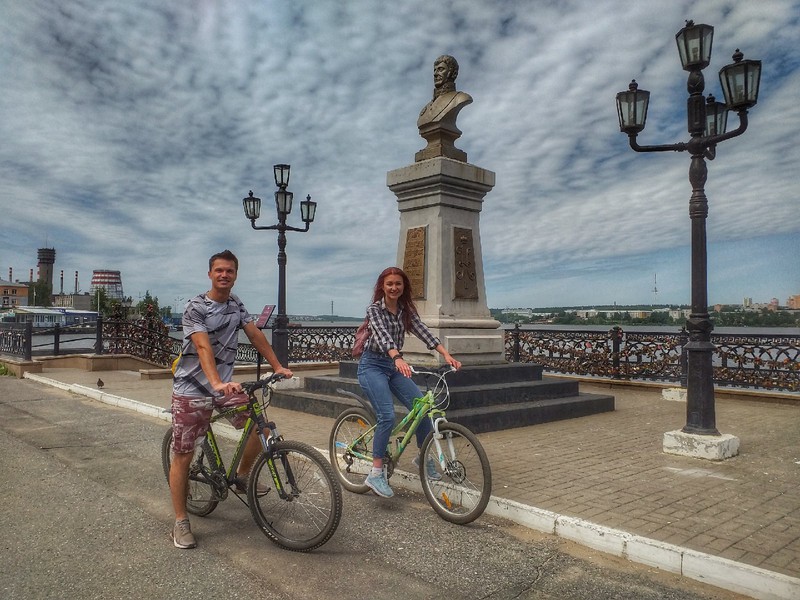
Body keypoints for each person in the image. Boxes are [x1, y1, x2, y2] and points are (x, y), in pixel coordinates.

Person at [168, 249, 293, 549]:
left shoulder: (236, 304)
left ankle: (241, 475)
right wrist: (215, 382)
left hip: (225, 386)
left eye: (230, 271)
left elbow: (254, 335)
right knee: (183, 454)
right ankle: (180, 521)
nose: (224, 275)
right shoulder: (195, 307)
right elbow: (202, 348)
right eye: (219, 270)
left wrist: (277, 366)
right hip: (192, 387)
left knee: (258, 426)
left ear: (235, 275)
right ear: (210, 274)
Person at [357, 267, 461, 498]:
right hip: (373, 365)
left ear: (404, 287)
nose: (394, 288)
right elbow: (382, 335)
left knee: (422, 408)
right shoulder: (374, 310)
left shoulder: (405, 310)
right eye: (389, 284)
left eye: (398, 284)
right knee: (387, 415)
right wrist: (397, 357)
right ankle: (375, 473)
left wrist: (446, 354)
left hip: (393, 365)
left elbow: (424, 332)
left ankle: (422, 458)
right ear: (382, 287)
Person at [417, 54, 473, 129]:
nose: (435, 74)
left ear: (453, 73)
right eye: (435, 70)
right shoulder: (426, 108)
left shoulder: (460, 98)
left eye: (440, 69)